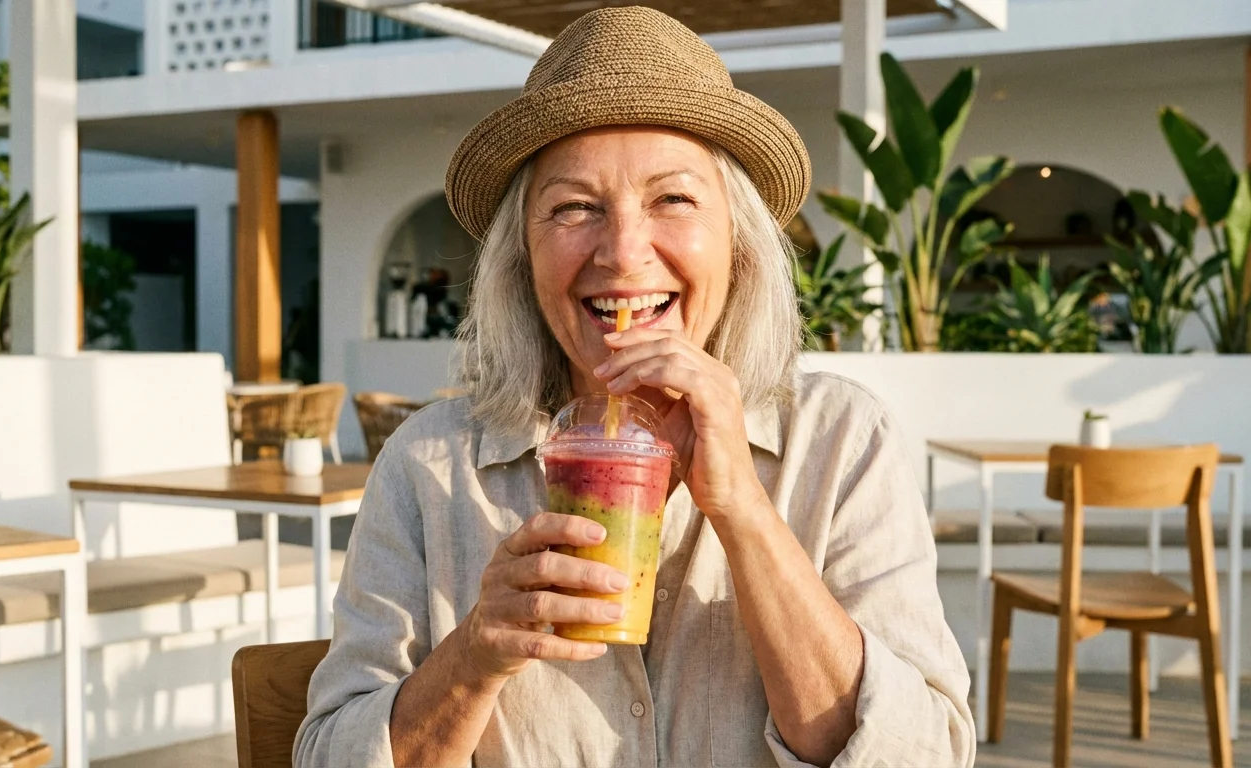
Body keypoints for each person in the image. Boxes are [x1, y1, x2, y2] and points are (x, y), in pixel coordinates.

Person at [294, 7, 973, 767]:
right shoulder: (431, 468)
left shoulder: (842, 440)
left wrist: (745, 510)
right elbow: (328, 754)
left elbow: (923, 755)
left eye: (672, 200)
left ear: (738, 244)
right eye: (574, 207)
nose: (622, 254)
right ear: (522, 257)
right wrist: (474, 653)